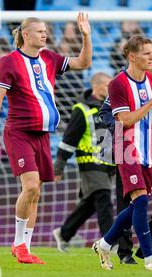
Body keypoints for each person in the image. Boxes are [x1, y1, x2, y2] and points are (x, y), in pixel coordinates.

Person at [0, 13, 92, 264]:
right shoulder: (9, 62)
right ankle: (18, 243)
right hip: (19, 132)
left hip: (43, 135)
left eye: (46, 31)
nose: (45, 34)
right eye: (40, 31)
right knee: (30, 186)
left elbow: (84, 63)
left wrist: (86, 36)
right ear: (26, 34)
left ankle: (25, 248)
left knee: (36, 192)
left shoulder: (49, 58)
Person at [92, 35, 152, 271]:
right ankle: (149, 257)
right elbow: (125, 119)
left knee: (137, 204)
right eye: (148, 54)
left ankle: (105, 243)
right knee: (139, 199)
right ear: (132, 57)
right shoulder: (118, 83)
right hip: (126, 147)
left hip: (149, 147)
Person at [52, 72, 115, 252]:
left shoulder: (110, 108)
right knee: (103, 198)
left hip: (109, 164)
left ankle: (64, 233)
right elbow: (68, 140)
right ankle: (110, 243)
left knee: (90, 204)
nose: (111, 90)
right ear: (97, 86)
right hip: (89, 163)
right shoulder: (82, 109)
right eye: (107, 86)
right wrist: (59, 167)